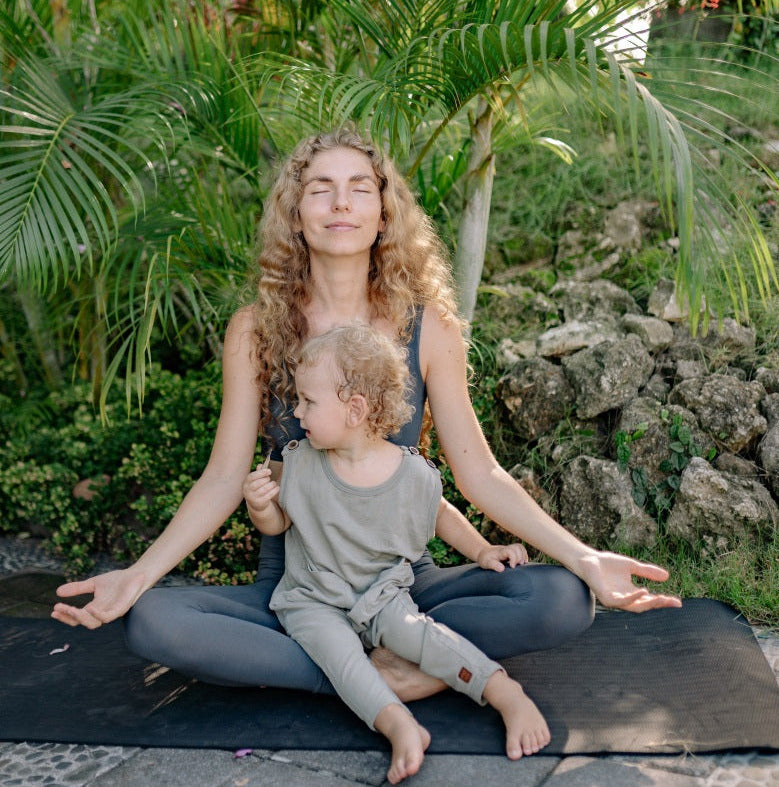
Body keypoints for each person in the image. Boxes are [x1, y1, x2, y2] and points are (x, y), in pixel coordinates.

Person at [52, 127, 680, 709]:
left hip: (404, 582)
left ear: (384, 214)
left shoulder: (429, 327)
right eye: (320, 188)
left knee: (561, 597)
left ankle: (359, 663)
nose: (340, 203)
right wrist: (139, 575)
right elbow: (222, 478)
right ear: (295, 215)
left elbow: (480, 473)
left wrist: (584, 557)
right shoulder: (254, 330)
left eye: (359, 188)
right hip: (297, 589)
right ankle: (402, 670)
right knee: (154, 621)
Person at [245, 323, 545, 782]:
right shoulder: (297, 461)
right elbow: (279, 523)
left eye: (308, 401)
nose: (297, 411)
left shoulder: (409, 473)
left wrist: (483, 550)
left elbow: (440, 513)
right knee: (342, 659)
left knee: (422, 636)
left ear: (355, 409)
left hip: (382, 594)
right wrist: (260, 507)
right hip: (313, 599)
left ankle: (505, 693)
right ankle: (399, 725)